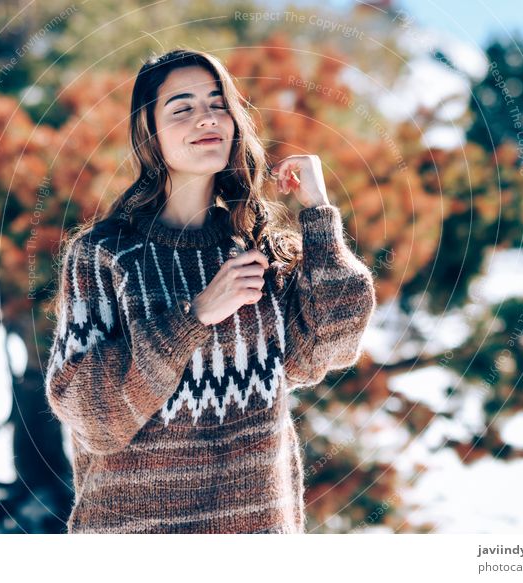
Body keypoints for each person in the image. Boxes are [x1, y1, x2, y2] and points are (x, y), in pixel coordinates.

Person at [44, 48, 377, 534]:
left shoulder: (259, 250)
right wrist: (193, 318)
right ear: (150, 137)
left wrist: (319, 213)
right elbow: (91, 415)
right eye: (182, 108)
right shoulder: (104, 254)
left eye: (218, 103)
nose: (206, 117)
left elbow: (331, 347)